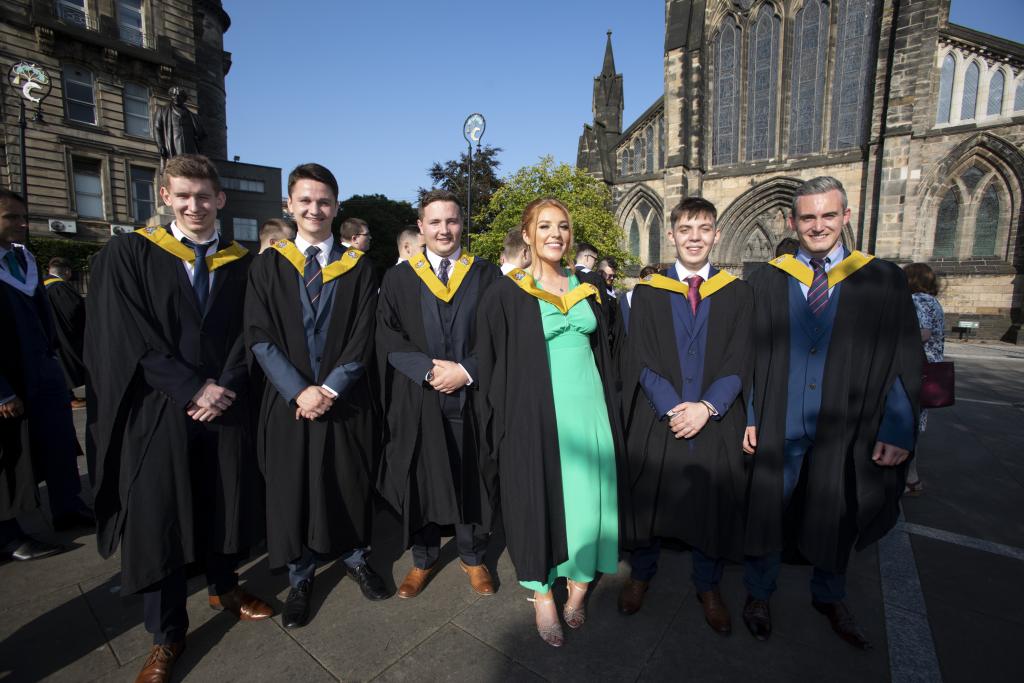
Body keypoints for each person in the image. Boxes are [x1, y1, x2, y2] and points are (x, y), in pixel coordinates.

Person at [86, 156, 272, 683]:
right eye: (183, 196)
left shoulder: (243, 262)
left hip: (225, 409)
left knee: (223, 503)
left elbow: (249, 334)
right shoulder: (132, 254)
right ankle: (166, 635)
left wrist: (226, 386)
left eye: (204, 196)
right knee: (162, 519)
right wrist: (194, 388)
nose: (195, 206)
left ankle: (225, 586)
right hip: (160, 410)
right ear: (164, 196)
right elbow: (130, 335)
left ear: (221, 199)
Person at [742, 176, 921, 650]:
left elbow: (903, 358)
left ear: (846, 217)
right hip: (780, 418)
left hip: (849, 424)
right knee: (767, 509)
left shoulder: (883, 279)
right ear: (792, 221)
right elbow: (751, 357)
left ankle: (830, 594)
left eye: (827, 215)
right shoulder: (767, 279)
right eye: (807, 217)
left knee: (837, 508)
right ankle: (759, 592)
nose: (817, 225)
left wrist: (898, 427)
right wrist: (751, 415)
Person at [245, 164, 388, 630]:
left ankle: (354, 557)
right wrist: (298, 391)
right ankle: (301, 575)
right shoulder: (267, 264)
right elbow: (259, 336)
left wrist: (328, 388)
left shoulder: (360, 268)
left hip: (342, 399)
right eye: (305, 200)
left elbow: (365, 334)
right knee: (294, 487)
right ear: (289, 205)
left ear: (336, 206)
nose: (314, 208)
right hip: (289, 405)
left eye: (323, 201)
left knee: (347, 479)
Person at [477, 198, 621, 647]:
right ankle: (542, 595)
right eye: (544, 227)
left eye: (562, 226)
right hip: (532, 412)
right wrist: (504, 420)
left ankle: (577, 590)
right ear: (528, 234)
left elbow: (611, 349)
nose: (555, 234)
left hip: (589, 408)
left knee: (586, 501)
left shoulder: (590, 286)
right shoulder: (508, 291)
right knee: (534, 498)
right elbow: (492, 360)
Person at [617, 198, 753, 637]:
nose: (695, 237)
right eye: (686, 228)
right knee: (649, 498)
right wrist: (675, 405)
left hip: (715, 419)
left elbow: (741, 358)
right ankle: (641, 574)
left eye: (704, 228)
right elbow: (639, 355)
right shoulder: (650, 293)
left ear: (717, 235)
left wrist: (708, 406)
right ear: (671, 235)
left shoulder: (737, 294)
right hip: (660, 417)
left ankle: (707, 586)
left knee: (710, 503)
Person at [376, 189, 499, 600]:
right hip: (421, 396)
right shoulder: (398, 278)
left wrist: (466, 371)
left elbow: (501, 336)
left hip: (471, 393)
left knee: (470, 473)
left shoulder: (486, 274)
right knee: (423, 477)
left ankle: (473, 556)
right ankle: (423, 559)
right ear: (421, 226)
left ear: (462, 224)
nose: (444, 229)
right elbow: (387, 336)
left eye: (451, 221)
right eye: (435, 222)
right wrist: (427, 370)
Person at [0, 188, 81, 562]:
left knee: (60, 442)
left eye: (22, 216)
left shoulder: (25, 260)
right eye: (10, 217)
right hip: (10, 380)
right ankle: (9, 534)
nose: (21, 223)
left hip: (43, 372)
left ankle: (68, 507)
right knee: (11, 459)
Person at [902, 263, 944, 496]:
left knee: (907, 423)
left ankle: (911, 478)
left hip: (918, 370)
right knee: (914, 424)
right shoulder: (934, 302)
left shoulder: (918, 301)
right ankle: (911, 477)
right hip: (931, 371)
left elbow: (923, 333)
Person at [43, 257, 87, 408]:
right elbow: (75, 311)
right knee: (66, 364)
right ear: (67, 272)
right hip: (64, 334)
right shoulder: (60, 288)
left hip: (49, 333)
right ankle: (68, 397)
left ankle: (67, 395)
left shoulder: (40, 285)